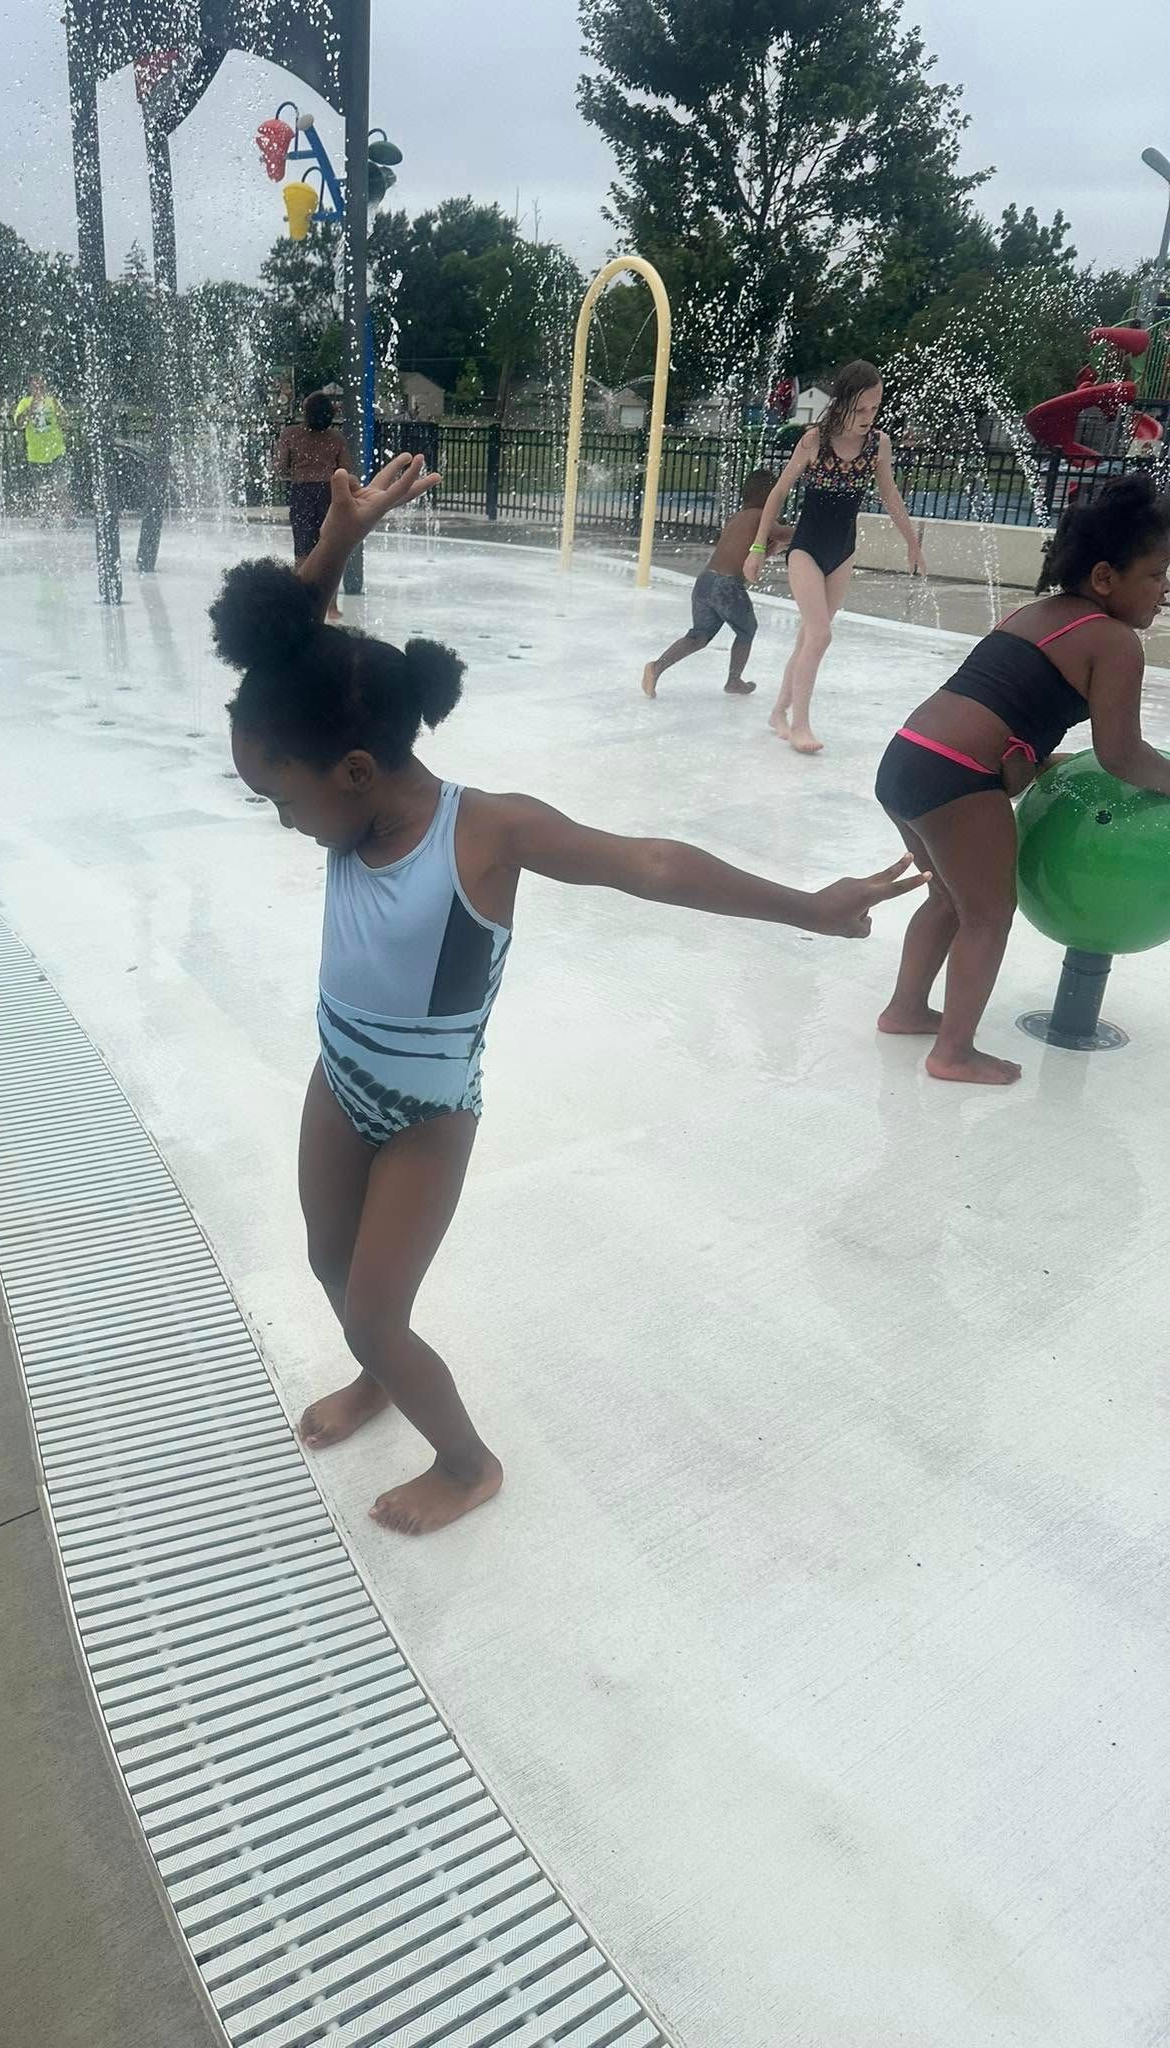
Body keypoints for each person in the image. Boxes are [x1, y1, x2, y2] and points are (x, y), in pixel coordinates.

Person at [211, 454, 925, 1536]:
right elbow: (286, 671)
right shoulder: (340, 786)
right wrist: (337, 543)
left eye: (281, 799)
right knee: (325, 1258)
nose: (281, 820)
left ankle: (464, 1459)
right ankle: (376, 1377)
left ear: (355, 770)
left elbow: (649, 863)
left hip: (425, 1115)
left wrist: (808, 906)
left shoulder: (483, 831)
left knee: (374, 1300)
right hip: (338, 1076)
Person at [875, 474, 1170, 1086]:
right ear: (1105, 578)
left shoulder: (1035, 613)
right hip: (956, 775)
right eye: (1157, 573)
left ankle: (906, 1010)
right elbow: (1122, 756)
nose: (1165, 590)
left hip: (908, 754)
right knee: (988, 914)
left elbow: (1004, 706)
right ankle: (953, 1052)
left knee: (947, 896)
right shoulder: (1114, 641)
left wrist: (1037, 759)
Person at [744, 361, 925, 754]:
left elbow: (890, 495)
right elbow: (778, 493)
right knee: (821, 634)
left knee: (809, 637)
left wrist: (912, 541)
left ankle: (778, 711)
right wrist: (758, 547)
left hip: (842, 552)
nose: (868, 417)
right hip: (806, 550)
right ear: (841, 403)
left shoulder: (879, 444)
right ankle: (800, 725)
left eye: (875, 408)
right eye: (860, 408)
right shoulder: (814, 441)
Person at [641, 468, 793, 697]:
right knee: (746, 630)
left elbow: (751, 556)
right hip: (727, 586)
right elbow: (782, 534)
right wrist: (808, 532)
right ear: (768, 497)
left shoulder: (737, 518)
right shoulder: (761, 516)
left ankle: (657, 667)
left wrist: (773, 548)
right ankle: (734, 680)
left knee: (698, 636)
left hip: (705, 582)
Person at [273, 391, 351, 623]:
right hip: (329, 493)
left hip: (302, 493)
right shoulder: (336, 438)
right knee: (332, 548)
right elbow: (345, 469)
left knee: (303, 552)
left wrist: (294, 468)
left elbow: (280, 468)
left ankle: (301, 603)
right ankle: (332, 606)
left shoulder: (291, 434)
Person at [13, 374, 70, 519]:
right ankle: (47, 517)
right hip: (36, 454)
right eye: (35, 386)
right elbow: (19, 423)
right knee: (43, 490)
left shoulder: (53, 401)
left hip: (56, 451)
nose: (38, 389)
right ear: (30, 388)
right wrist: (30, 409)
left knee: (61, 488)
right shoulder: (24, 403)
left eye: (41, 386)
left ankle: (68, 516)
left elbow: (65, 422)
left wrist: (61, 412)